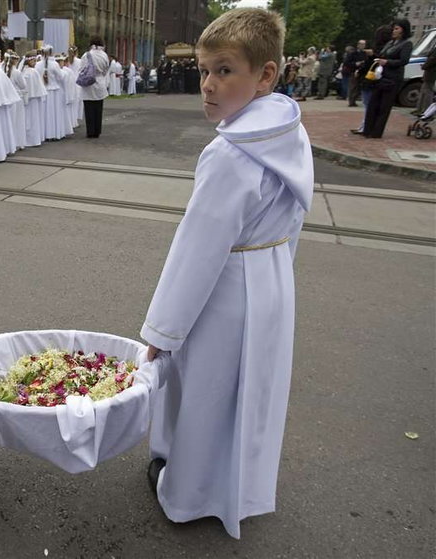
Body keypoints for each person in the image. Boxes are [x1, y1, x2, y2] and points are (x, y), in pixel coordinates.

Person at [142, 8, 313, 540]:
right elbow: (296, 214)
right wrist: (281, 270)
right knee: (251, 388)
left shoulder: (230, 152)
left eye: (224, 71)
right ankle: (237, 485)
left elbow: (197, 251)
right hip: (271, 277)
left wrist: (160, 333)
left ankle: (189, 492)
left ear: (266, 75)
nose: (208, 86)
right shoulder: (289, 127)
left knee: (207, 387)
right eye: (203, 71)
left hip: (230, 286)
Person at [362, 19, 413, 138]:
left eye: (397, 29)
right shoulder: (391, 43)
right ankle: (367, 129)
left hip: (393, 78)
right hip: (381, 76)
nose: (394, 31)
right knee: (373, 104)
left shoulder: (406, 44)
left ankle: (376, 132)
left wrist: (387, 62)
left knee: (384, 107)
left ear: (403, 30)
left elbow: (404, 61)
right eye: (394, 28)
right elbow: (382, 54)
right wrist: (375, 57)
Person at [78, 37, 110, 139]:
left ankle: (90, 131)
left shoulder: (86, 55)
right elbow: (106, 69)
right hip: (100, 82)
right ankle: (97, 131)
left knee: (89, 108)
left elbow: (81, 69)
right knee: (98, 108)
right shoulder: (104, 55)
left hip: (88, 84)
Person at [22, 51, 47, 146]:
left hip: (28, 99)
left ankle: (28, 139)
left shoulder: (23, 71)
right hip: (34, 99)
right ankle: (34, 140)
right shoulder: (32, 72)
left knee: (28, 120)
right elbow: (38, 86)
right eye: (33, 60)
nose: (35, 62)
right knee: (34, 120)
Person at [412, 44, 436, 117]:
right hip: (429, 71)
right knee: (423, 91)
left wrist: (424, 66)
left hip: (432, 72)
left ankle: (425, 111)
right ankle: (419, 109)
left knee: (427, 92)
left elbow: (432, 59)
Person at [344, 40, 367, 107]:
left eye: (364, 44)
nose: (363, 46)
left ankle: (355, 99)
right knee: (353, 86)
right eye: (361, 44)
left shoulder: (365, 53)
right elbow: (347, 63)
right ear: (358, 45)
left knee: (359, 87)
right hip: (353, 71)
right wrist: (355, 64)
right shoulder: (352, 53)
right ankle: (351, 101)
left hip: (362, 71)